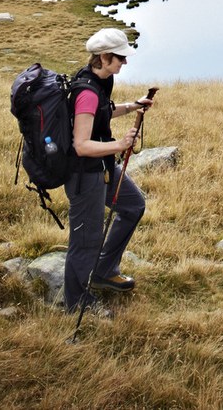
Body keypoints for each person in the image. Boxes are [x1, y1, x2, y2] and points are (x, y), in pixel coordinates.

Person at [63, 27, 156, 313]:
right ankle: (77, 303)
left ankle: (103, 271)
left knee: (133, 205)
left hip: (102, 166)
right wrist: (119, 145)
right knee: (86, 239)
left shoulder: (102, 81)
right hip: (84, 174)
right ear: (104, 57)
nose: (124, 62)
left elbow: (103, 111)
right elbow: (81, 145)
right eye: (120, 58)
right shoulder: (86, 92)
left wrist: (132, 106)